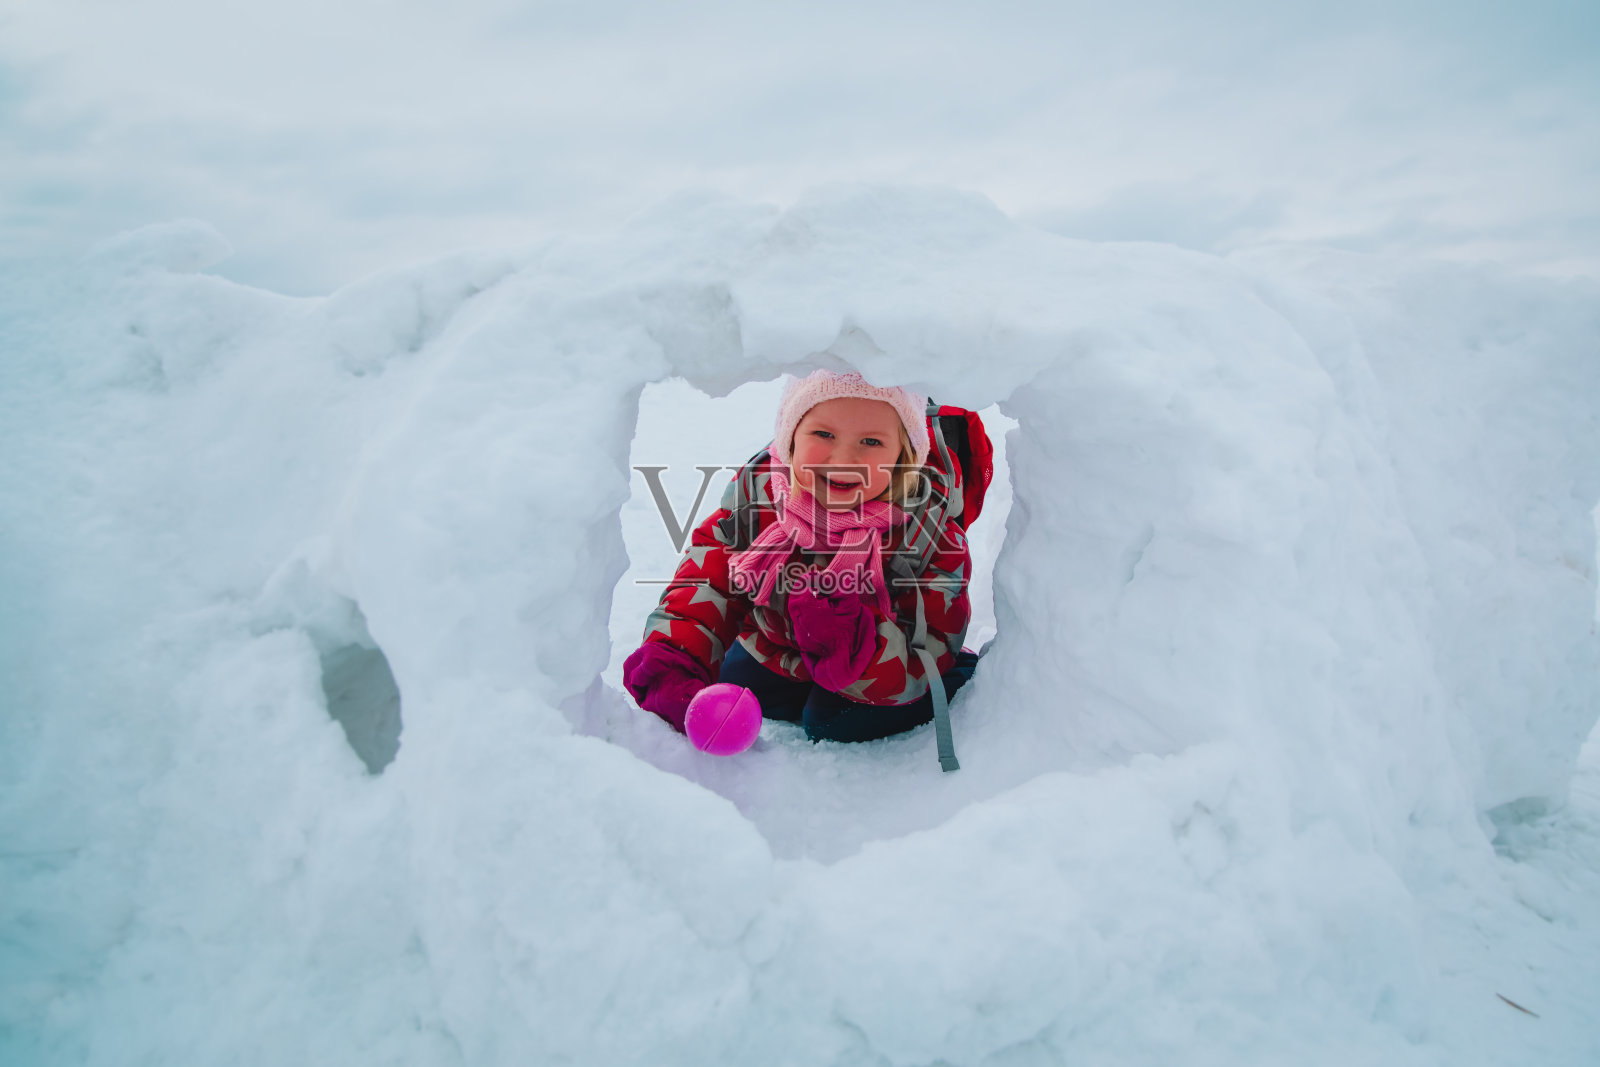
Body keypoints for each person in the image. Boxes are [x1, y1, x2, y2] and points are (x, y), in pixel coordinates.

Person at [622, 368, 978, 747]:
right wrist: (675, 656)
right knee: (729, 679)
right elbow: (711, 579)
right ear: (791, 438)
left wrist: (855, 645)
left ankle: (964, 677)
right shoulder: (763, 494)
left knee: (830, 721)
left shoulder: (925, 527)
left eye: (871, 441)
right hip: (784, 647)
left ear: (902, 455)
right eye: (823, 434)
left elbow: (931, 642)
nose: (844, 458)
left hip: (874, 661)